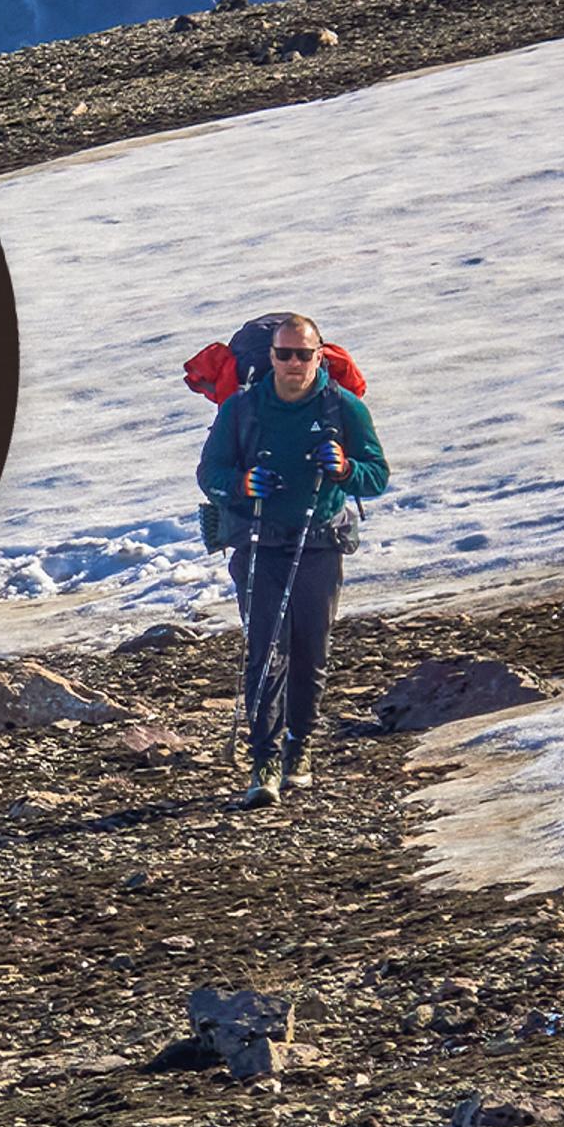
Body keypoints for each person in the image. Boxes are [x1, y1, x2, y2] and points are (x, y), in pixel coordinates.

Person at [197, 311, 390, 804]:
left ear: (319, 357)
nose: (294, 363)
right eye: (284, 354)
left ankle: (297, 750)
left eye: (303, 354)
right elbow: (209, 472)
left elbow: (377, 475)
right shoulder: (241, 409)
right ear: (271, 357)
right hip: (258, 543)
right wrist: (240, 485)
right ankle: (263, 761)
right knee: (266, 651)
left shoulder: (342, 408)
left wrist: (346, 469)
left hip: (320, 544)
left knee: (311, 654)